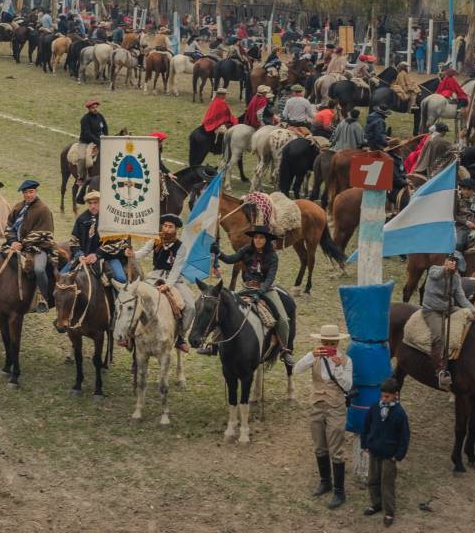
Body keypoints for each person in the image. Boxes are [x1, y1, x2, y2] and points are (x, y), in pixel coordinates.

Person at [211, 225, 293, 366]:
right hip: (247, 288)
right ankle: (214, 344)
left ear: (266, 240)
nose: (258, 240)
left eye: (261, 238)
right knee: (226, 308)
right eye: (255, 237)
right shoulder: (246, 250)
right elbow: (231, 259)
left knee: (284, 320)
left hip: (266, 290)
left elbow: (270, 279)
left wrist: (260, 292)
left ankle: (284, 350)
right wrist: (218, 253)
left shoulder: (273, 256)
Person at [294, 324, 352, 509]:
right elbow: (297, 369)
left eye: (331, 343)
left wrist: (338, 367)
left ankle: (339, 491)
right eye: (325, 342)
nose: (328, 346)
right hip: (317, 405)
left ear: (337, 343)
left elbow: (348, 386)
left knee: (336, 448)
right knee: (319, 446)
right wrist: (312, 354)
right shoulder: (315, 357)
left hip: (336, 407)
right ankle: (325, 481)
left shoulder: (346, 360)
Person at [130, 214, 194, 352]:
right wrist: (132, 254)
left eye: (170, 227)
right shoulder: (155, 240)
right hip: (155, 275)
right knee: (136, 297)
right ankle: (131, 332)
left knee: (190, 306)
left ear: (176, 229)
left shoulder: (181, 247)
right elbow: (143, 252)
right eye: (165, 226)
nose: (166, 229)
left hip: (174, 279)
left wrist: (168, 285)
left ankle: (181, 337)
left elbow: (176, 269)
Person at [422, 254, 475, 390]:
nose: (453, 266)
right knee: (438, 336)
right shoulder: (434, 269)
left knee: (470, 318)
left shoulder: (456, 278)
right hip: (432, 310)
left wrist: (474, 311)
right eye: (450, 263)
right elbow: (435, 275)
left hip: (448, 308)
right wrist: (444, 269)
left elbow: (461, 298)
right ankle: (439, 368)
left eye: (455, 265)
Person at [361, 377, 410, 528]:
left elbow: (404, 436)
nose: (384, 399)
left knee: (387, 483)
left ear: (396, 395)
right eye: (382, 395)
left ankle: (389, 511)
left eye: (387, 396)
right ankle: (376, 504)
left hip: (390, 455)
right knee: (373, 479)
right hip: (374, 450)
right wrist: (365, 443)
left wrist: (399, 454)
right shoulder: (375, 408)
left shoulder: (399, 413)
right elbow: (366, 426)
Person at [6, 180, 57, 312]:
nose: (28, 195)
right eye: (25, 193)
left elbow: (44, 233)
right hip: (16, 246)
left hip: (38, 248)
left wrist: (21, 244)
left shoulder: (43, 210)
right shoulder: (18, 207)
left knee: (39, 269)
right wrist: (12, 241)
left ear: (36, 192)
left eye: (31, 192)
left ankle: (44, 298)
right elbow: (9, 227)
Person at [62, 190, 127, 281]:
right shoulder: (81, 219)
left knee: (121, 279)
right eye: (90, 203)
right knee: (62, 276)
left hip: (108, 257)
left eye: (95, 203)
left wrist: (97, 254)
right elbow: (74, 241)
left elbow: (117, 243)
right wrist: (79, 255)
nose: (93, 206)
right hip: (83, 257)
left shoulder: (111, 219)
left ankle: (121, 295)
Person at [77, 99, 108, 182]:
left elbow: (105, 127)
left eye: (96, 107)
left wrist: (106, 139)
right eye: (93, 108)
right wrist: (98, 141)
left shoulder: (100, 116)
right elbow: (87, 134)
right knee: (82, 158)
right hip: (86, 142)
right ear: (89, 109)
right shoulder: (85, 119)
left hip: (100, 141)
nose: (95, 109)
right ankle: (81, 177)